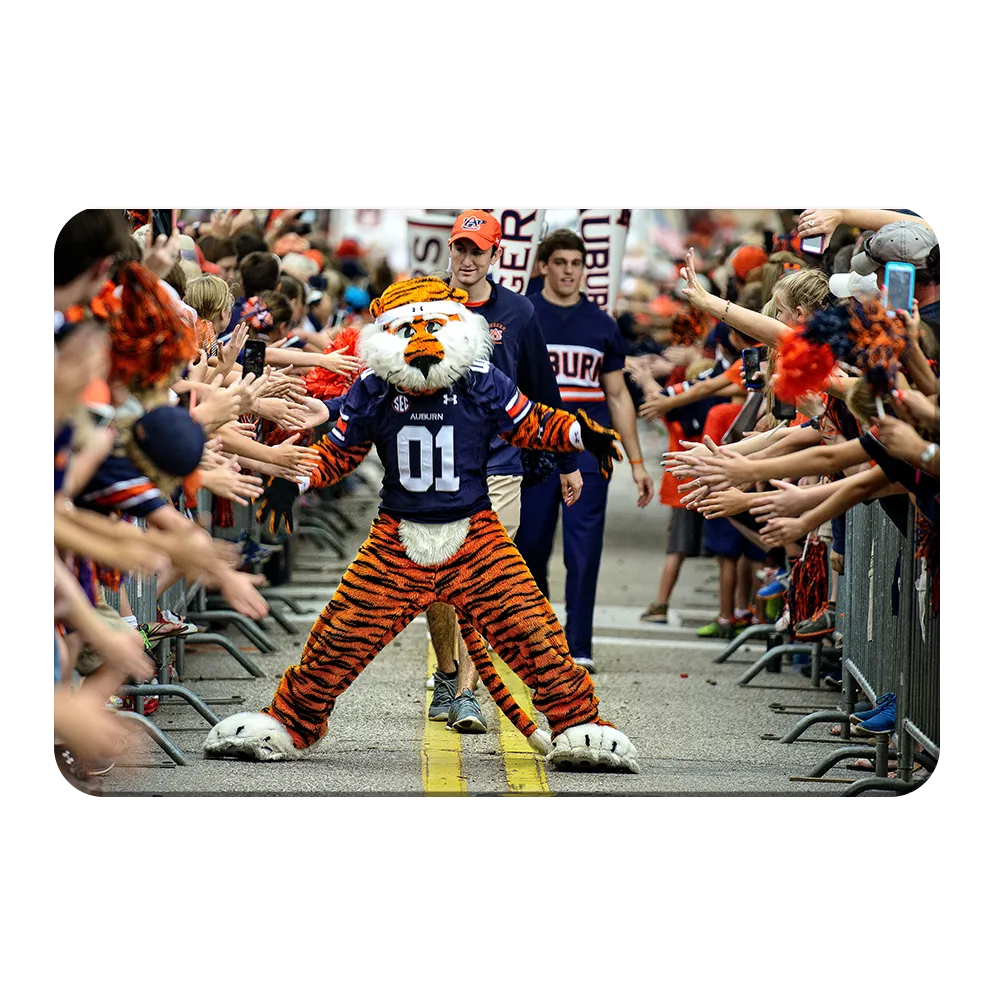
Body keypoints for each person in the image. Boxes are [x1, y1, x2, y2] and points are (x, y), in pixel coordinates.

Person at [209, 275, 639, 774]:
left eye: (435, 326)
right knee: (340, 636)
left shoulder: (479, 378)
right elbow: (340, 450)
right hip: (397, 538)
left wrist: (578, 432)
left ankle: (576, 722)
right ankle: (289, 720)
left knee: (532, 630)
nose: (424, 341)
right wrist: (295, 481)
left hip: (474, 535)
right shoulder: (373, 387)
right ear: (387, 335)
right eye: (411, 330)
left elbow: (530, 421)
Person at [424, 210, 578, 734]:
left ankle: (467, 692)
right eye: (461, 249)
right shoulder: (424, 304)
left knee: (480, 578)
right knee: (437, 582)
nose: (468, 260)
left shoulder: (519, 312)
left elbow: (543, 390)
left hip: (499, 463)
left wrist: (567, 462)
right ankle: (447, 674)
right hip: (438, 464)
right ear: (450, 250)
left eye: (478, 251)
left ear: (496, 255)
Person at [517, 229, 654, 670]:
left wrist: (636, 462)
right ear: (543, 266)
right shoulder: (524, 314)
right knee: (530, 546)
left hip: (590, 453)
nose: (568, 271)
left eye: (576, 264)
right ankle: (536, 636)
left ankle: (578, 646)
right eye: (560, 262)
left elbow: (618, 396)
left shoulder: (601, 324)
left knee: (583, 550)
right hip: (536, 452)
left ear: (585, 270)